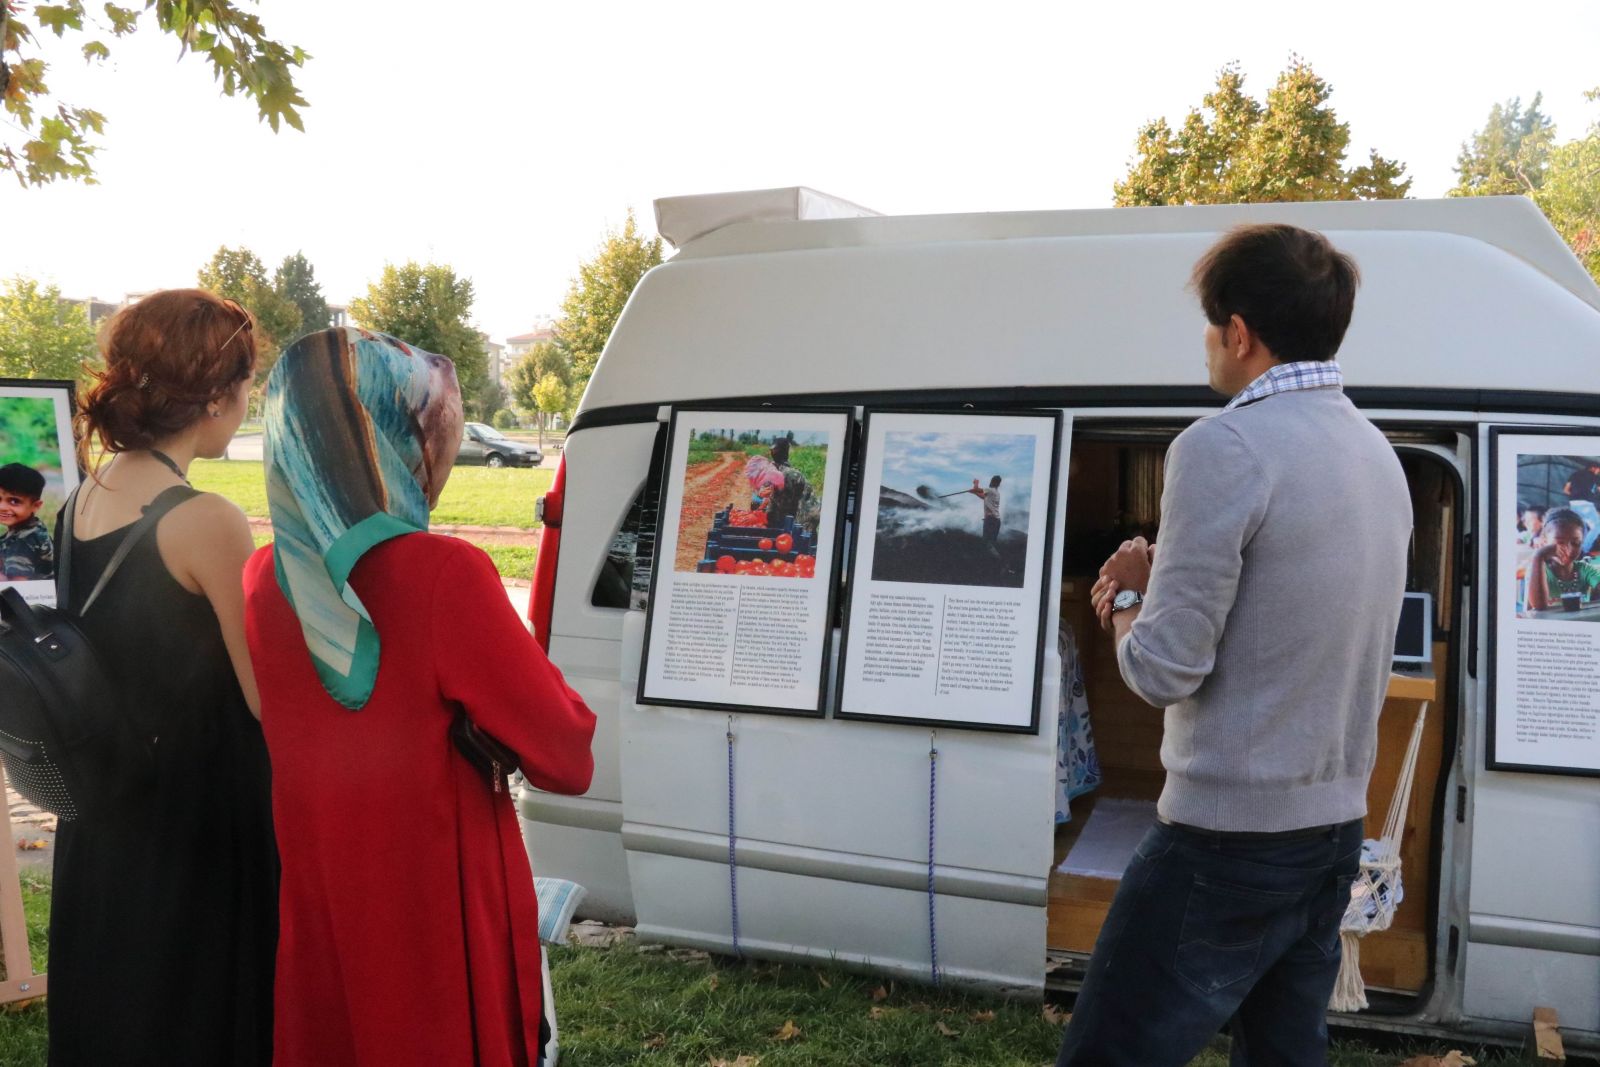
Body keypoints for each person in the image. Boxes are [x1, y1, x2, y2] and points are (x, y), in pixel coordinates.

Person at [1061, 224, 1412, 1066]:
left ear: (1241, 332)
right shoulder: (1378, 452)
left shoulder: (1222, 445)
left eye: (1212, 324)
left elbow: (1161, 668)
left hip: (1224, 839)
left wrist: (1124, 593)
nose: (1210, 344)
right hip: (1333, 828)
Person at [244, 327, 597, 1067]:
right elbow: (566, 753)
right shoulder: (442, 573)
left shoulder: (266, 578)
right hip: (436, 902)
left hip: (327, 898)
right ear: (391, 434)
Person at [49, 289, 276, 1065]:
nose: (249, 401)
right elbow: (264, 697)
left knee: (115, 1015)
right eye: (246, 384)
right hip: (196, 826)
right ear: (214, 394)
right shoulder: (205, 517)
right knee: (194, 1022)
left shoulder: (82, 496)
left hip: (106, 809)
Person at [1523, 507, 1600, 612]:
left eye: (1576, 543)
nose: (1569, 550)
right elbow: (1539, 606)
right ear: (1544, 542)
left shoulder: (1585, 570)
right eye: (1560, 543)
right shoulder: (1539, 571)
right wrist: (1539, 555)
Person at [0, 462, 54, 580]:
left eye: (14, 501)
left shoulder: (25, 540)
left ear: (35, 506)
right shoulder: (33, 527)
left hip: (35, 596)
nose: (2, 507)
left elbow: (18, 588)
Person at [767, 437, 812, 529]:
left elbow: (782, 506)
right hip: (798, 516)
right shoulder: (785, 471)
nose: (772, 452)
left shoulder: (786, 474)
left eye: (774, 450)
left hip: (800, 523)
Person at [965, 474, 1004, 555]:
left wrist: (976, 482)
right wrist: (974, 493)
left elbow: (976, 488)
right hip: (996, 521)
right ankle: (999, 562)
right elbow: (984, 497)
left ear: (992, 481)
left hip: (990, 520)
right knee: (991, 544)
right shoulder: (996, 493)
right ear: (999, 484)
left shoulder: (990, 490)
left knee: (986, 543)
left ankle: (999, 562)